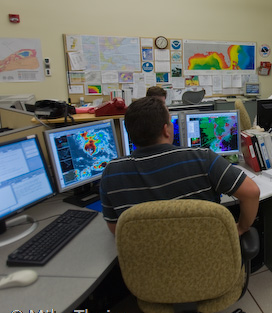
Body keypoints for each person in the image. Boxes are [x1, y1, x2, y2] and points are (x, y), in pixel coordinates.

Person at [100, 96, 260, 236]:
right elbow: (252, 193)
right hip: (209, 262)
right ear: (166, 130)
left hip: (148, 266)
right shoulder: (202, 158)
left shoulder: (111, 173)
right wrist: (241, 228)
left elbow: (117, 230)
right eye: (170, 121)